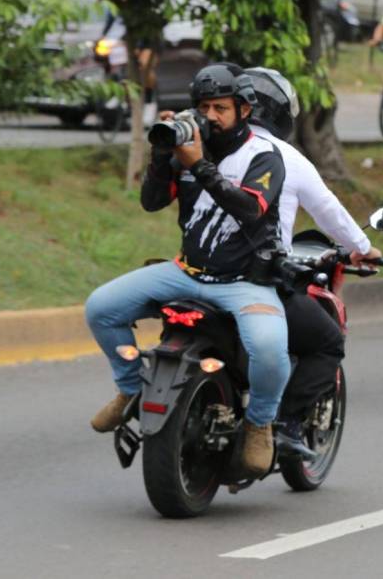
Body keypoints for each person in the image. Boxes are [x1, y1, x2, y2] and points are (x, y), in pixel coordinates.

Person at [85, 63, 289, 477]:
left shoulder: (264, 156)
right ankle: (131, 392)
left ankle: (259, 423)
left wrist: (198, 165)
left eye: (220, 107)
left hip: (245, 282)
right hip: (187, 271)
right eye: (203, 106)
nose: (210, 116)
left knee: (269, 351)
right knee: (100, 308)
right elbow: (152, 202)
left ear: (243, 111)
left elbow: (250, 209)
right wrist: (163, 157)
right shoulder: (187, 146)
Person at [244, 67, 383, 458]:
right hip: (254, 278)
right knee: (327, 343)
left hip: (195, 272)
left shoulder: (214, 149)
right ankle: (284, 425)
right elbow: (330, 212)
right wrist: (363, 245)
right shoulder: (285, 157)